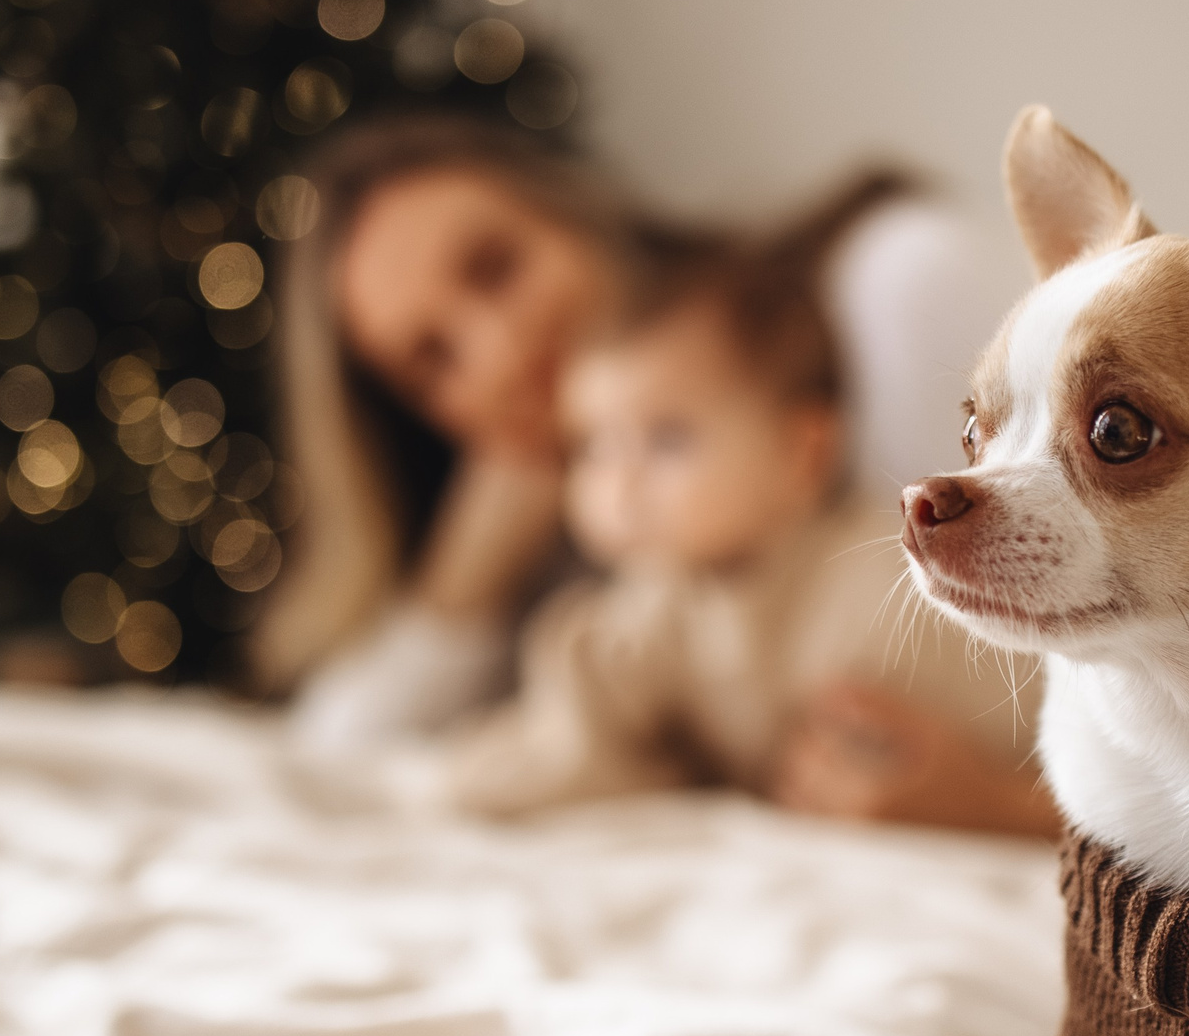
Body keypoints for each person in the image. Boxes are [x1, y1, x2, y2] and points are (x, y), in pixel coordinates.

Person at [255, 112, 1052, 835]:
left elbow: (1143, 626)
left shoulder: (887, 288)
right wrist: (476, 558)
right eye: (434, 359)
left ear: (576, 218)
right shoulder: (589, 522)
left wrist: (997, 806)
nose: (497, 351)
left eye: (496, 267)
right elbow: (339, 754)